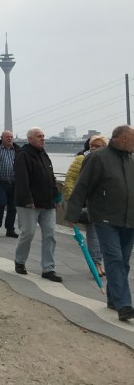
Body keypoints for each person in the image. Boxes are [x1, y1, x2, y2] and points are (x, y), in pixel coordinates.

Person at [66, 125, 134, 321]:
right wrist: (72, 214)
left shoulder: (130, 159)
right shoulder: (97, 158)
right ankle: (124, 305)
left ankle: (113, 299)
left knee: (123, 262)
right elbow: (82, 186)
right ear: (123, 139)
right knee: (114, 260)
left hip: (129, 220)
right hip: (105, 219)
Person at [13, 127, 62, 282]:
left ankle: (48, 268)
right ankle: (20, 261)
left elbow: (50, 177)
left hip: (47, 202)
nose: (43, 138)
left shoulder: (43, 154)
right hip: (29, 203)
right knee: (28, 232)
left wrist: (56, 197)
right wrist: (28, 200)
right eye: (39, 136)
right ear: (30, 139)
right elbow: (22, 179)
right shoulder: (23, 155)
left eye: (43, 136)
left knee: (50, 234)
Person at [63, 135, 107, 276]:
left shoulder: (107, 161)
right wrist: (72, 199)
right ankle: (96, 264)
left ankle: (98, 263)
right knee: (94, 235)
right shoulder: (81, 159)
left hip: (104, 204)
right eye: (91, 145)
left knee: (102, 236)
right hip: (87, 204)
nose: (93, 148)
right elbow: (70, 179)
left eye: (97, 146)